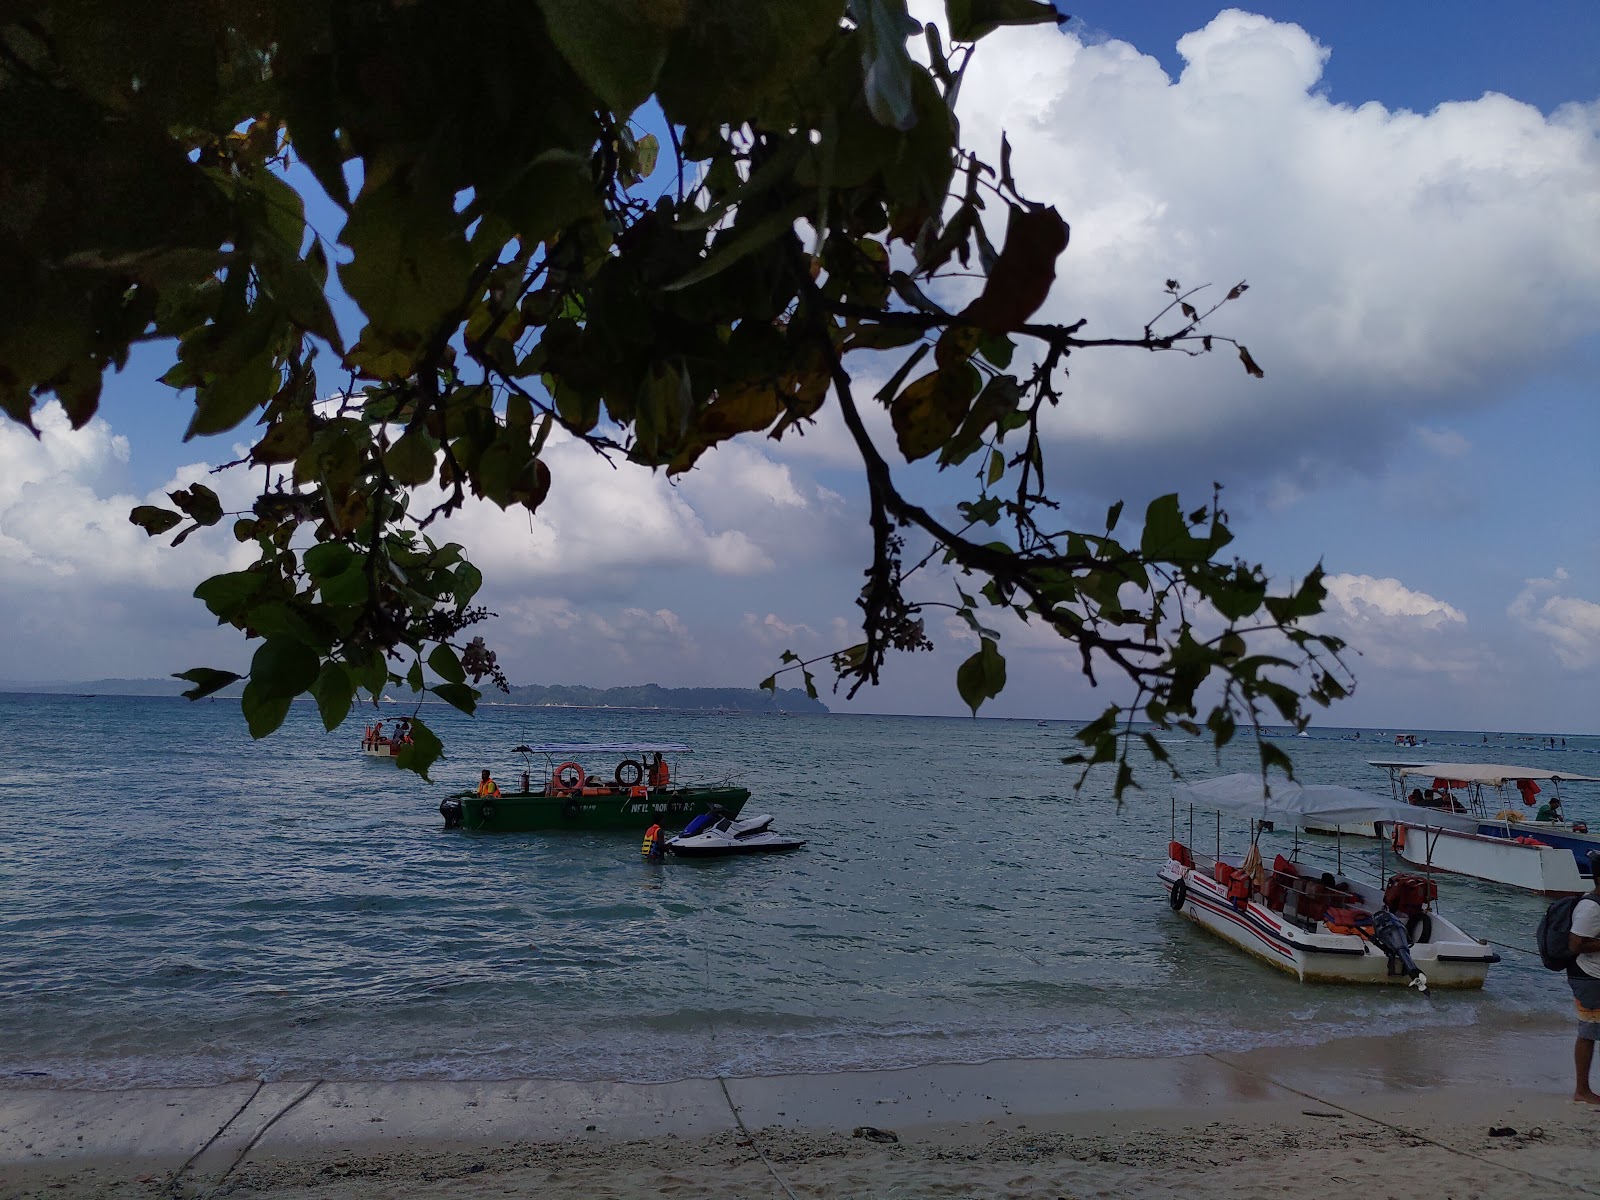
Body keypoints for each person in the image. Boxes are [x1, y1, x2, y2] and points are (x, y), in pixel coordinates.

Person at [1569, 852, 1600, 1104]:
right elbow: (1575, 944)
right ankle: (1582, 1090)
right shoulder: (1590, 907)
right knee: (1589, 1030)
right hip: (1589, 977)